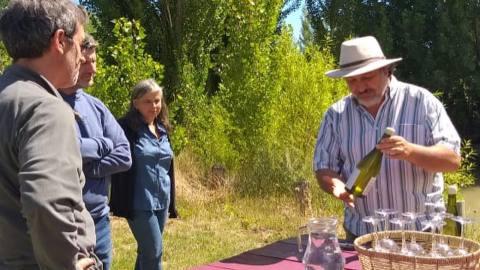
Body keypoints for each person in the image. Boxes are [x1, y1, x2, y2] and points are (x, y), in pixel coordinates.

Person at [313, 36, 461, 240]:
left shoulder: (422, 102)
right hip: (361, 235)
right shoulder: (335, 115)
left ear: (387, 70)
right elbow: (323, 167)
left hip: (420, 235)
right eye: (351, 81)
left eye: (367, 77)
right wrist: (335, 186)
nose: (360, 87)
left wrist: (411, 151)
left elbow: (452, 160)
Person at [0, 0, 102, 269]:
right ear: (60, 41)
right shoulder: (45, 109)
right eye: (80, 46)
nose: (82, 57)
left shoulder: (8, 97)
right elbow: (47, 205)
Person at [58, 34, 132, 270]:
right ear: (72, 60)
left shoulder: (96, 106)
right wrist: (101, 144)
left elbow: (124, 154)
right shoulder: (50, 103)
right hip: (66, 222)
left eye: (94, 61)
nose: (93, 69)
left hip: (100, 219)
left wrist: (91, 168)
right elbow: (63, 150)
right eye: (86, 62)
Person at [110, 79, 178, 270]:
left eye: (157, 101)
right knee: (154, 251)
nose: (154, 106)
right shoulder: (125, 128)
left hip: (162, 201)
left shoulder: (163, 128)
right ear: (135, 103)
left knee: (146, 252)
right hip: (138, 202)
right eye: (148, 101)